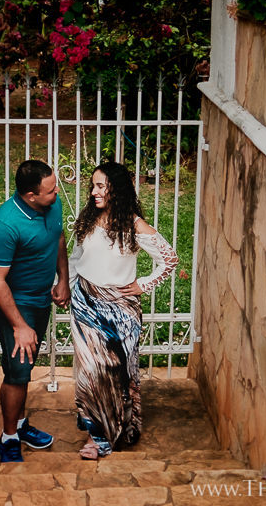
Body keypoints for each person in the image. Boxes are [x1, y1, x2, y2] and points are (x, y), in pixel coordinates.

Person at [68, 161, 179, 459]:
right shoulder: (89, 218)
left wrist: (144, 284)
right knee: (91, 372)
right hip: (85, 303)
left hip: (120, 311)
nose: (94, 192)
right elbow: (76, 257)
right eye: (93, 186)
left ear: (116, 190)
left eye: (100, 186)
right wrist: (67, 286)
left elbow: (169, 259)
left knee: (117, 374)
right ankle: (97, 436)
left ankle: (118, 426)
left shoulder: (133, 225)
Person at [0, 159, 70, 463]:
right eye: (50, 190)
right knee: (18, 371)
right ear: (31, 196)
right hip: (15, 303)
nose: (57, 193)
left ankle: (20, 425)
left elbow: (58, 238)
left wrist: (63, 279)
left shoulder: (52, 205)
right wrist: (20, 325)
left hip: (40, 300)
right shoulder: (5, 225)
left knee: (25, 366)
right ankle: (9, 436)